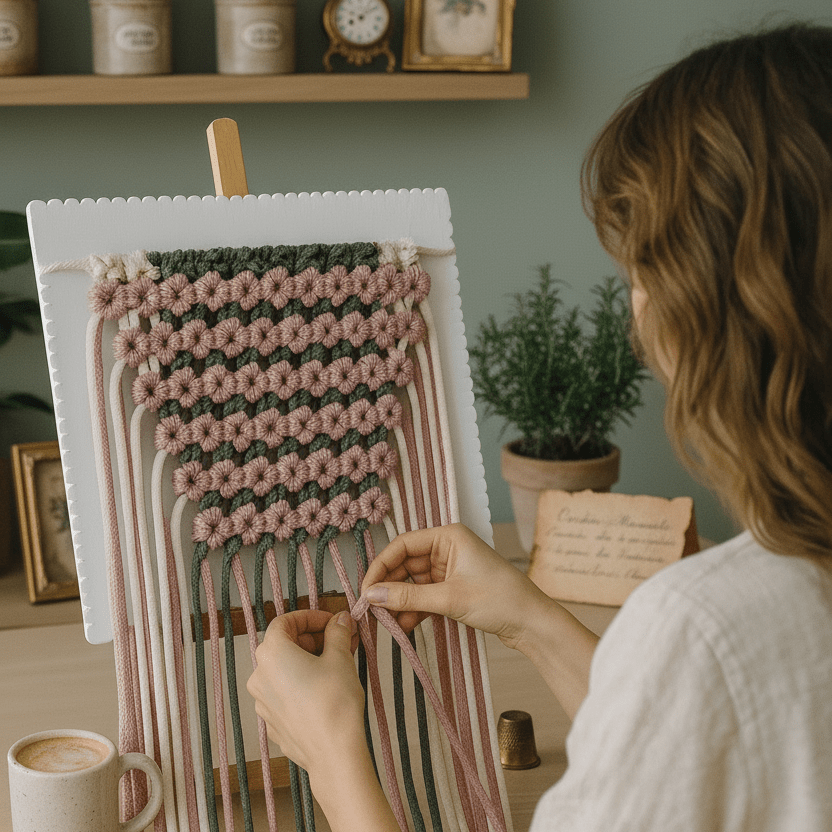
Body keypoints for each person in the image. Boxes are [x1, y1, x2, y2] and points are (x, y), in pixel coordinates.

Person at [247, 22, 832, 831]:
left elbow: (703, 692)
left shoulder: (703, 631)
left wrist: (335, 756)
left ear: (713, 313)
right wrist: (530, 618)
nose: (636, 316)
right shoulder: (737, 635)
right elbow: (701, 751)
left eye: (640, 273)